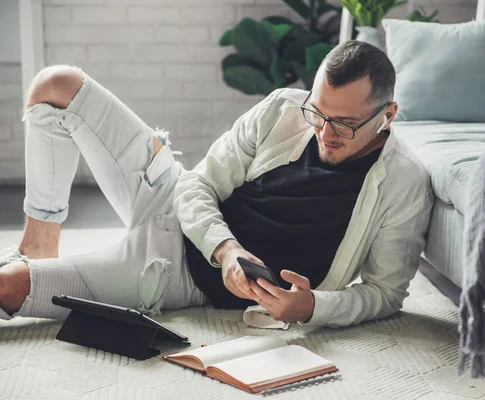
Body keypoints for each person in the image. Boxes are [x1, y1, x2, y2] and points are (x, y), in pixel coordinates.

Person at [0, 40, 433, 327]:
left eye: (344, 124)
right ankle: (39, 243)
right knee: (55, 86)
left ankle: (34, 268)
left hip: (175, 271)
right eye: (318, 112)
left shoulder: (404, 183)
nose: (325, 132)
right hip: (173, 200)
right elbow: (195, 187)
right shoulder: (282, 108)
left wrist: (315, 307)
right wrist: (227, 250)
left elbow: (385, 292)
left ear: (387, 115)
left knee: (10, 286)